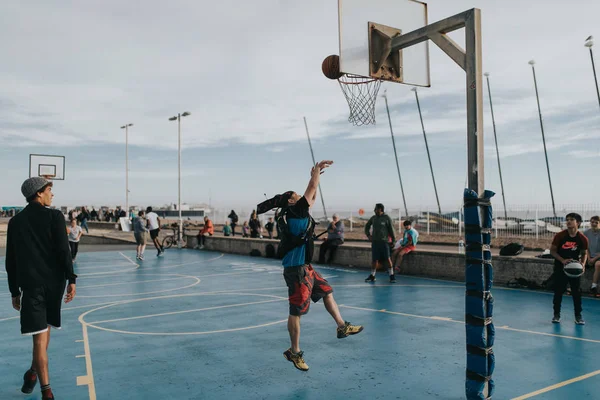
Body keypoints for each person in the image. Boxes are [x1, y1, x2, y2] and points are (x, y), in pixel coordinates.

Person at [256, 160, 363, 372]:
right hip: (297, 270)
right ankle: (294, 352)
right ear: (291, 200)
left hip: (306, 267)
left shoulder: (295, 212)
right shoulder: (295, 213)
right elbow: (311, 191)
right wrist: (314, 174)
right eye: (297, 195)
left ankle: (342, 327)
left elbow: (311, 196)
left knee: (327, 292)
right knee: (296, 311)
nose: (302, 197)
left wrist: (316, 176)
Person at [5, 177, 77, 400]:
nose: (51, 194)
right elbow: (64, 251)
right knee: (43, 333)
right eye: (49, 190)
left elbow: (11, 261)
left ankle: (34, 373)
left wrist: (14, 291)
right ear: (38, 193)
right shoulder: (55, 216)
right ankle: (47, 391)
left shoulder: (15, 223)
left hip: (31, 287)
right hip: (54, 286)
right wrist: (71, 279)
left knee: (40, 336)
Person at [550, 212, 588, 325]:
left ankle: (578, 316)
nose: (568, 221)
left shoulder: (582, 238)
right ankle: (556, 315)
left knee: (576, 292)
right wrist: (562, 260)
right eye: (567, 219)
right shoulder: (560, 236)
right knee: (558, 292)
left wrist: (583, 264)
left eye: (571, 219)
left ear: (578, 223)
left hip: (574, 269)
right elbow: (552, 251)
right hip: (560, 267)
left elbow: (584, 253)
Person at [364, 204, 396, 283]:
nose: (374, 210)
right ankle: (372, 276)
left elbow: (391, 229)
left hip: (384, 242)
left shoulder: (386, 218)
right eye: (374, 209)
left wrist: (394, 240)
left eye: (376, 209)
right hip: (375, 242)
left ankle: (392, 275)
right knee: (374, 260)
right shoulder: (373, 218)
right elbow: (367, 226)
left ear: (380, 209)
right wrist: (368, 235)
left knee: (388, 259)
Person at [584, 215, 600, 297]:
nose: (593, 224)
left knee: (598, 264)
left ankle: (593, 286)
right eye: (592, 222)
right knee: (578, 264)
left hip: (598, 257)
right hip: (590, 256)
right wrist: (589, 258)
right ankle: (572, 287)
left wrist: (594, 259)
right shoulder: (586, 233)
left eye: (596, 222)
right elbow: (585, 248)